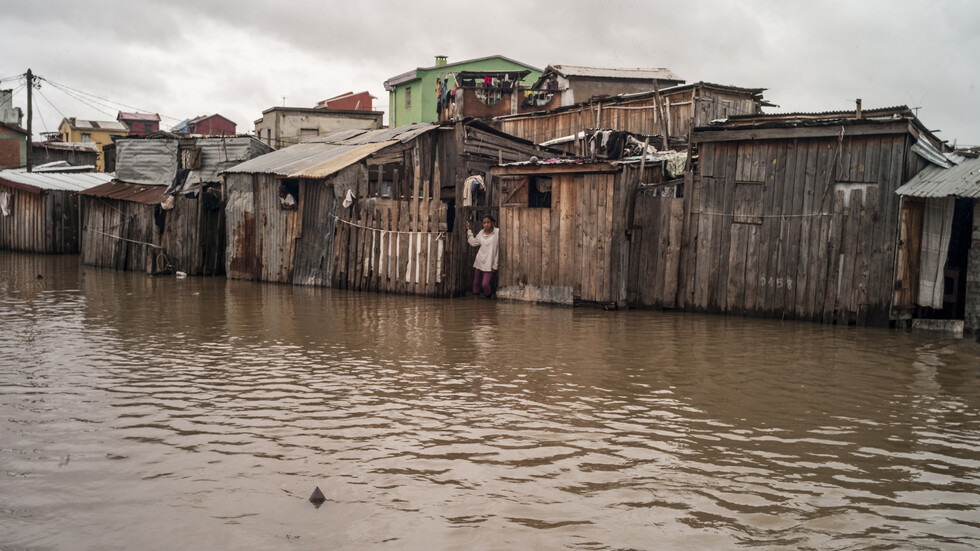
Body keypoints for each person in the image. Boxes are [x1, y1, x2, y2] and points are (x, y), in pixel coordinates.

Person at [466, 215, 499, 298]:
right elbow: (473, 242)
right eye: (484, 223)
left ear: (492, 223)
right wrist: (469, 231)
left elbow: (498, 250)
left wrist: (495, 265)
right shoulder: (481, 233)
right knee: (476, 283)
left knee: (485, 284)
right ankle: (475, 303)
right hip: (480, 260)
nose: (486, 224)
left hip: (490, 262)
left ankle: (488, 298)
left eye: (488, 222)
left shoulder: (497, 232)